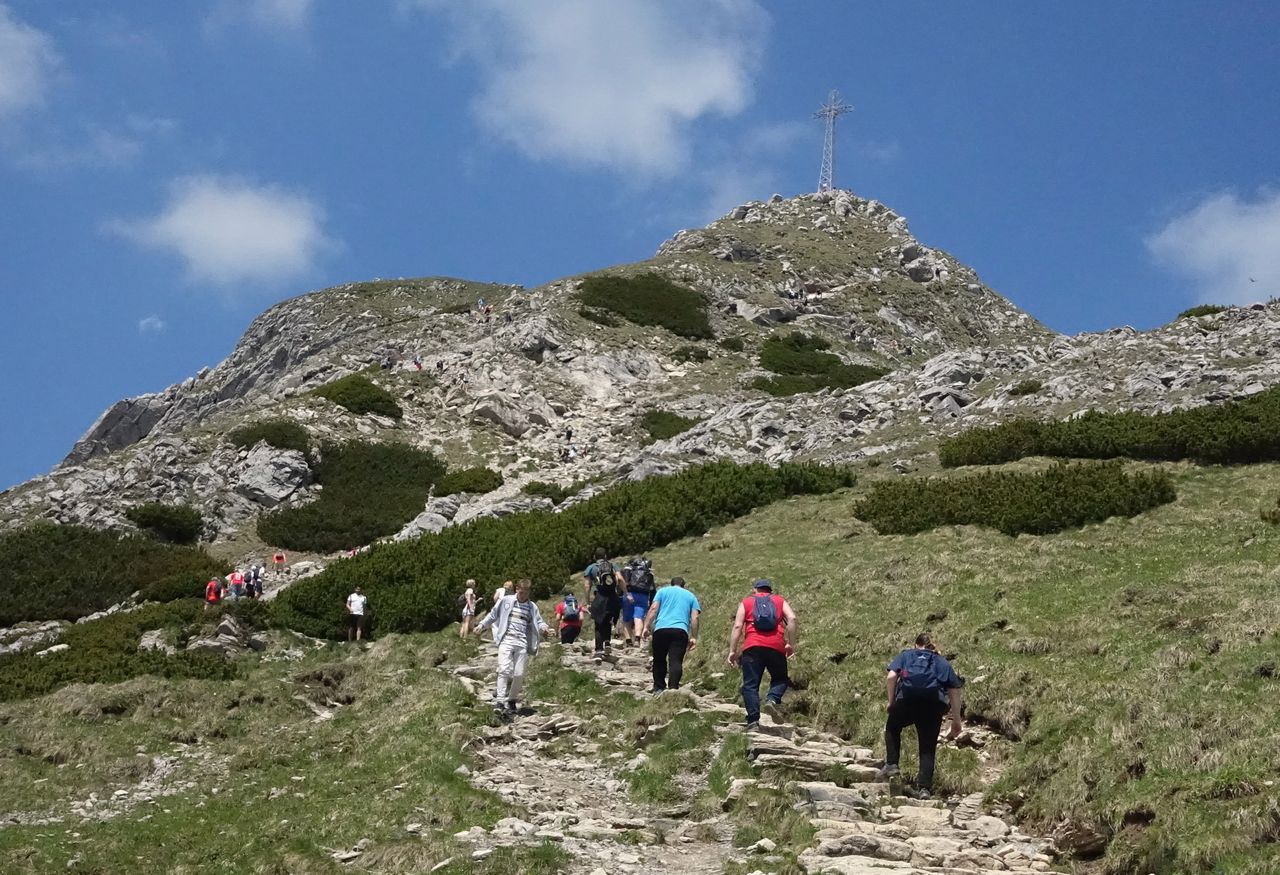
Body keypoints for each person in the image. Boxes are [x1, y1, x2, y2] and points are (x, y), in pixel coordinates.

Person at [881, 633, 964, 799]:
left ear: (915, 644)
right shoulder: (941, 661)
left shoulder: (906, 655)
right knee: (927, 746)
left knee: (892, 727)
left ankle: (892, 764)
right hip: (933, 706)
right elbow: (954, 690)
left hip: (907, 701)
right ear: (932, 645)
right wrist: (956, 720)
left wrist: (891, 702)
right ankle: (924, 789)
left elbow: (891, 677)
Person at [726, 578, 796, 730]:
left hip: (752, 647)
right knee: (780, 679)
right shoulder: (779, 600)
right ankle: (772, 700)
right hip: (776, 646)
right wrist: (791, 643)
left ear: (755, 589)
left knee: (750, 685)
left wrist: (732, 651)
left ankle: (753, 722)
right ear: (770, 589)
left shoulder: (747, 602)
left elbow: (738, 626)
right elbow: (792, 618)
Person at [473, 579, 550, 715]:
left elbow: (539, 621)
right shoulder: (506, 601)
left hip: (522, 643)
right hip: (506, 640)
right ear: (516, 589)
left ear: (529, 592)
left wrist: (544, 628)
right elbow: (493, 615)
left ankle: (512, 699)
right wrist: (481, 625)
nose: (523, 595)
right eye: (521, 592)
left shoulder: (532, 607)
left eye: (526, 593)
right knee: (504, 669)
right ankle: (500, 701)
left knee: (519, 674)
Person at [642, 576, 701, 694]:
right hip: (680, 631)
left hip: (661, 629)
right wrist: (694, 636)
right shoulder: (691, 596)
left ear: (671, 584)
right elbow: (695, 618)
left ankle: (659, 687)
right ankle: (673, 689)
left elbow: (654, 609)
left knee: (659, 660)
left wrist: (646, 627)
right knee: (675, 661)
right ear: (683, 585)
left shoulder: (662, 592)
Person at [583, 549, 626, 662]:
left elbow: (587, 586)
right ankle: (607, 642)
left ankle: (598, 650)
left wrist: (587, 602)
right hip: (612, 597)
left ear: (594, 557)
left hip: (600, 597)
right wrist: (626, 593)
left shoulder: (591, 568)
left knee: (598, 623)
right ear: (606, 556)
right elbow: (620, 579)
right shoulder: (613, 565)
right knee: (608, 620)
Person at [624, 557, 656, 646]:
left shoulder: (629, 570)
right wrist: (651, 602)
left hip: (629, 594)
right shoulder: (649, 573)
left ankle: (628, 641)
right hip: (643, 596)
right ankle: (637, 639)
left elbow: (622, 584)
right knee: (638, 617)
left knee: (627, 619)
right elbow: (652, 589)